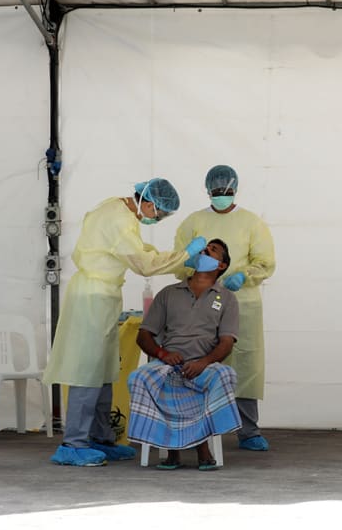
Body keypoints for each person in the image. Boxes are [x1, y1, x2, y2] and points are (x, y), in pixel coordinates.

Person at [43, 178, 207, 467]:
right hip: (92, 296)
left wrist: (182, 263)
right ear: (148, 203)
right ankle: (73, 444)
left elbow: (143, 251)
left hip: (104, 294)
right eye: (160, 213)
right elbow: (143, 263)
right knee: (87, 370)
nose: (158, 218)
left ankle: (100, 438)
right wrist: (185, 255)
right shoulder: (119, 219)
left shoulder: (119, 211)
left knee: (105, 369)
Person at [174, 165, 276, 451]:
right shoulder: (193, 222)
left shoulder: (252, 223)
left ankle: (248, 431)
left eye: (226, 191)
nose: (221, 196)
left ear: (235, 190)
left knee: (245, 362)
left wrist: (244, 276)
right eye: (217, 192)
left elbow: (265, 261)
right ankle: (198, 431)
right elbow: (179, 259)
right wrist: (197, 268)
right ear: (207, 191)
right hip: (202, 302)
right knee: (203, 359)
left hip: (242, 301)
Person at [127, 238, 241, 470]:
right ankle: (171, 448)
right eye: (204, 247)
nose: (205, 250)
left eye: (214, 250)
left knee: (225, 375)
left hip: (204, 366)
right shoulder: (168, 293)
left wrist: (204, 362)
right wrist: (162, 353)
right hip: (167, 363)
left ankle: (201, 447)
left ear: (221, 266)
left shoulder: (227, 298)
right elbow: (144, 335)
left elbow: (227, 342)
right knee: (138, 378)